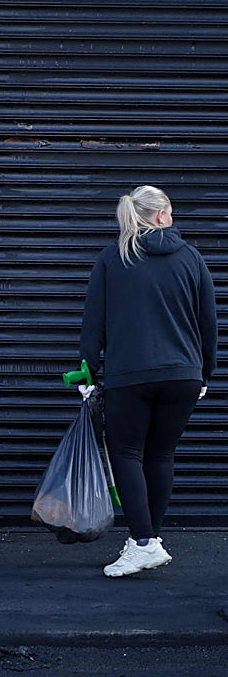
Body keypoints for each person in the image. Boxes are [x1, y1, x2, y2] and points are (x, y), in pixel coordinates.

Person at [79, 185, 216, 578]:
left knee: (127, 453)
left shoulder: (113, 258)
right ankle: (149, 539)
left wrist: (88, 370)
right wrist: (205, 371)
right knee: (161, 455)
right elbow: (209, 323)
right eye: (170, 211)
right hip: (184, 376)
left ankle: (141, 542)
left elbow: (94, 323)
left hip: (131, 376)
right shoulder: (191, 258)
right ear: (159, 215)